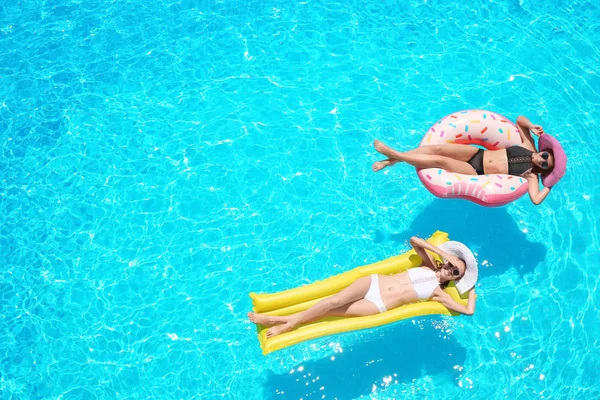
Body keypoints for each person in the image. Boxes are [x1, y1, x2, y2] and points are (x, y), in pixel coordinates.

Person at [248, 237, 478, 338]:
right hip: (373, 283)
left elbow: (468, 311)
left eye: (455, 271)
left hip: (377, 305)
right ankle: (288, 324)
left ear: (456, 278)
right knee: (332, 301)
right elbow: (415, 241)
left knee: (330, 313)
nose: (450, 268)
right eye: (451, 264)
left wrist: (471, 288)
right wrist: (444, 252)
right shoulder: (428, 264)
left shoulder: (437, 293)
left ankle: (277, 321)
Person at [372, 116, 558, 205]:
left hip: (476, 171)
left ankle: (395, 156)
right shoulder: (529, 145)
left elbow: (535, 199)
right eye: (544, 156)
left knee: (439, 160)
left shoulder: (532, 175)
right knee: (437, 148)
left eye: (544, 165)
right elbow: (519, 120)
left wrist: (549, 184)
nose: (540, 160)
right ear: (543, 151)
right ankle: (392, 160)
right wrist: (532, 126)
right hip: (476, 154)